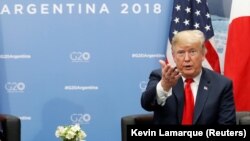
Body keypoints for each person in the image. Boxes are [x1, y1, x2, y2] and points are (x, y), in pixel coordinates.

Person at [141, 30, 236, 125]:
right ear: (173, 56)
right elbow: (147, 104)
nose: (187, 59)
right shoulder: (161, 77)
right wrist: (164, 86)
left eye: (192, 52)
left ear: (203, 54)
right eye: (181, 53)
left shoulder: (222, 85)